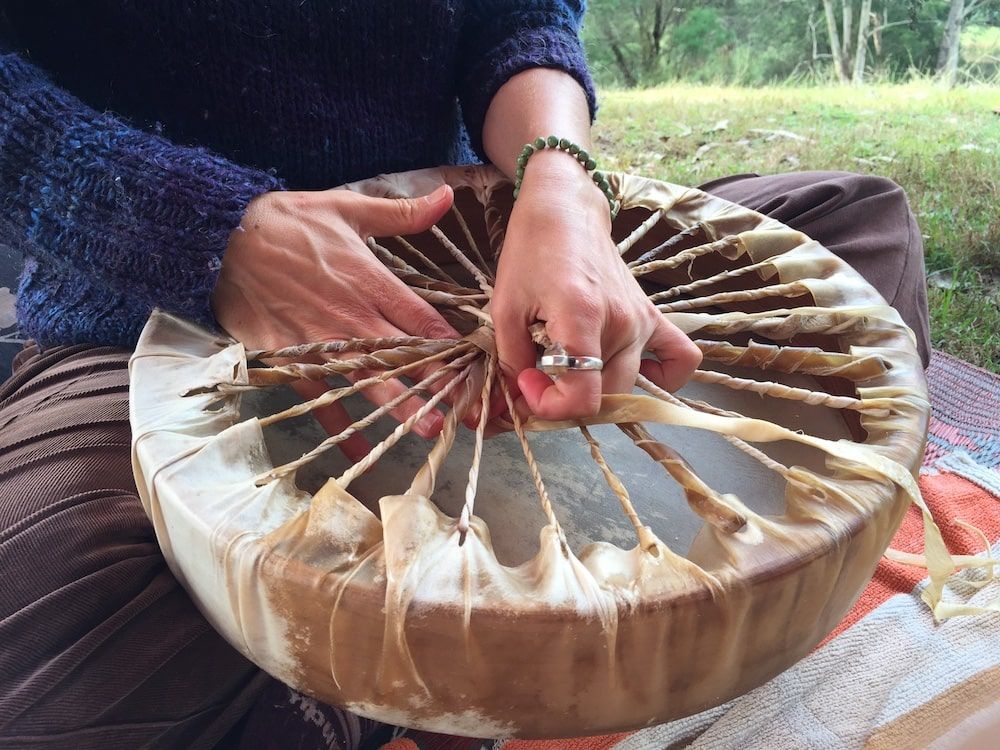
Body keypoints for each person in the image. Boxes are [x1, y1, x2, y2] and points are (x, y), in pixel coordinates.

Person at [0, 2, 930, 749]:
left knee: (858, 224)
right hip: (156, 305)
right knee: (43, 622)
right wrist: (209, 237)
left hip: (464, 243)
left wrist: (559, 185)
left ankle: (367, 656)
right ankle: (436, 667)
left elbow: (517, 19)